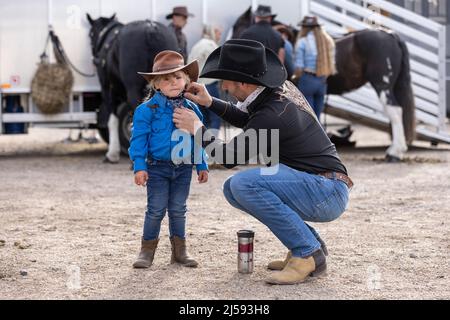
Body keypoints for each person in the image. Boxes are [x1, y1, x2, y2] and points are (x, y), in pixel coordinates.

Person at [173, 39, 352, 285]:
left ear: (244, 83)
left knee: (242, 185)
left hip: (326, 192)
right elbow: (250, 119)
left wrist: (197, 128)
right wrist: (210, 103)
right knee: (232, 189)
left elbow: (228, 157)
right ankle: (309, 245)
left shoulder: (272, 113)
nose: (222, 86)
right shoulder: (276, 93)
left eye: (226, 80)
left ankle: (307, 253)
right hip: (324, 185)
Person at [129, 50, 209, 269]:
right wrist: (139, 166)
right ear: (156, 85)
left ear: (186, 81)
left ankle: (180, 252)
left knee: (178, 209)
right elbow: (139, 140)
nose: (173, 82)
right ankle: (146, 251)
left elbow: (198, 138)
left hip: (183, 168)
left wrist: (202, 163)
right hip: (157, 167)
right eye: (166, 78)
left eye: (178, 77)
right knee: (155, 209)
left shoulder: (192, 109)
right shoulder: (146, 110)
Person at [292, 15, 336, 120]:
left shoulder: (303, 42)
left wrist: (295, 76)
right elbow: (332, 63)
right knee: (318, 116)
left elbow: (299, 66)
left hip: (307, 79)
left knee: (309, 117)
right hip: (322, 80)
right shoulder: (327, 41)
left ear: (304, 28)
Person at [188, 24, 223, 131]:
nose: (219, 36)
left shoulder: (197, 45)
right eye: (218, 32)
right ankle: (213, 145)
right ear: (212, 31)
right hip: (209, 86)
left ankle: (204, 143)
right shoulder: (210, 45)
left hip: (197, 86)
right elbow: (219, 63)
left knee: (204, 117)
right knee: (216, 116)